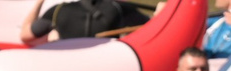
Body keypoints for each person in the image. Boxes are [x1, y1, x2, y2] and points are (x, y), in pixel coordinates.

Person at [24, 0, 153, 39]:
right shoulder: (119, 8)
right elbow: (151, 27)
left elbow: (26, 35)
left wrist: (38, 3)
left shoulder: (59, 10)